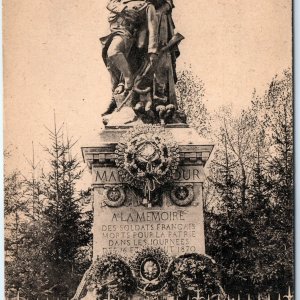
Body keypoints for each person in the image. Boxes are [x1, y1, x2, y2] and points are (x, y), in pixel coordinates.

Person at [100, 0, 159, 116]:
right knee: (111, 66)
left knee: (113, 52)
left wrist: (152, 50)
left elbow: (153, 27)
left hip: (125, 34)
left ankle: (128, 79)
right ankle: (116, 97)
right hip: (110, 33)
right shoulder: (119, 1)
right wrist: (123, 8)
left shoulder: (146, 5)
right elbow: (110, 4)